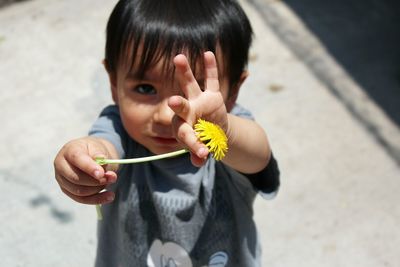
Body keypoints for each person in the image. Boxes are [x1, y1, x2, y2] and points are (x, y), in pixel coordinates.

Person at [53, 0, 280, 266]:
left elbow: (258, 157)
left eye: (189, 93)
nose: (164, 115)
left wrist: (224, 130)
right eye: (146, 89)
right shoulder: (118, 128)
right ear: (114, 82)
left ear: (234, 91)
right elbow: (103, 148)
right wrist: (84, 161)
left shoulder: (230, 135)